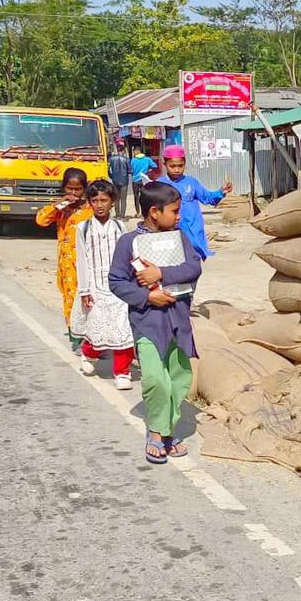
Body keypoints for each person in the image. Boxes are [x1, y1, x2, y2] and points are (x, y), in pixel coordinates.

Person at [108, 181, 200, 463]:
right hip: (147, 321)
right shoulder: (129, 242)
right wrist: (149, 297)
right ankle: (158, 434)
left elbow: (193, 267)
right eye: (174, 211)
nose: (179, 216)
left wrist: (160, 272)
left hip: (178, 319)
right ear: (154, 212)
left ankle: (167, 429)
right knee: (154, 379)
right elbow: (116, 282)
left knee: (179, 378)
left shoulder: (180, 237)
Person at [71, 179, 136, 390]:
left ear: (112, 202)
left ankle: (122, 372)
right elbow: (82, 259)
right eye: (95, 200)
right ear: (89, 202)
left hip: (119, 285)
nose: (99, 205)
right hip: (95, 286)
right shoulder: (83, 228)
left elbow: (130, 254)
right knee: (98, 328)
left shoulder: (119, 227)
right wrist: (84, 290)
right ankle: (89, 353)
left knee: (123, 328)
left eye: (104, 200)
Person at [34, 167, 93, 351]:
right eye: (69, 189)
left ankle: (91, 334)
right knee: (69, 296)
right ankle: (74, 333)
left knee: (87, 297)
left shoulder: (91, 209)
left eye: (78, 189)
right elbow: (41, 220)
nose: (73, 193)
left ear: (85, 189)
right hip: (66, 264)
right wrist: (59, 204)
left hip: (87, 262)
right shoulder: (60, 209)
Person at [156, 144, 232, 259]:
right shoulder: (160, 184)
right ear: (164, 164)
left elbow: (207, 198)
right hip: (171, 231)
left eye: (180, 166)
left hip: (193, 230)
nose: (177, 169)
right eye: (172, 166)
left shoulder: (191, 182)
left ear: (185, 164)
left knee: (192, 264)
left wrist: (221, 192)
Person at [128, 144, 157, 218]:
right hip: (144, 179)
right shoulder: (147, 159)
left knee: (136, 197)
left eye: (134, 151)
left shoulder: (133, 160)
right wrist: (148, 170)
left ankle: (138, 213)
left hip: (135, 181)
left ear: (136, 151)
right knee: (145, 196)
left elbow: (131, 170)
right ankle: (146, 212)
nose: (134, 153)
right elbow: (155, 166)